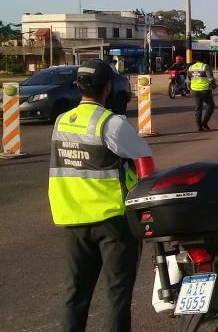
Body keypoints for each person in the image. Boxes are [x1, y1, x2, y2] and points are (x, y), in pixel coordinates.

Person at [48, 59, 154, 332]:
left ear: (79, 86)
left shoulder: (62, 121)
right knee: (117, 294)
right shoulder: (111, 124)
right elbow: (145, 163)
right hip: (112, 219)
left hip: (72, 217)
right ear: (108, 87)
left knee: (76, 292)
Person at [188, 53, 216, 131]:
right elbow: (210, 79)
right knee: (211, 105)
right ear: (203, 59)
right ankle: (204, 123)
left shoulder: (191, 67)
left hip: (194, 90)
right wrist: (214, 85)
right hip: (204, 90)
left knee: (198, 108)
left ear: (195, 59)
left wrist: (188, 88)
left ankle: (199, 127)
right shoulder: (205, 67)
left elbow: (187, 80)